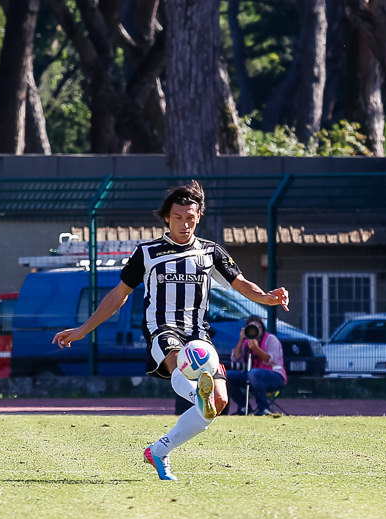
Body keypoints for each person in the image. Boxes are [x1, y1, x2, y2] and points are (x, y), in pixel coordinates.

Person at [52, 180, 289, 481]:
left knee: (218, 403)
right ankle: (196, 393)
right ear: (167, 217)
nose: (184, 224)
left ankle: (159, 450)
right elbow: (118, 295)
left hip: (198, 333)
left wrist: (267, 297)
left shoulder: (210, 252)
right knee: (180, 362)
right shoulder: (147, 252)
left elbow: (241, 284)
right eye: (178, 217)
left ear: (199, 217)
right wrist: (84, 329)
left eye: (190, 218)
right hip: (161, 328)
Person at [226, 315, 287, 416]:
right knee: (228, 375)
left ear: (262, 329)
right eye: (251, 328)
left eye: (257, 328)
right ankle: (243, 407)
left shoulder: (271, 339)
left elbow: (269, 360)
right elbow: (235, 358)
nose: (254, 331)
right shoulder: (246, 342)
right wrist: (241, 340)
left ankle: (263, 408)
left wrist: (256, 349)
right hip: (253, 376)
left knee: (254, 374)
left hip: (275, 376)